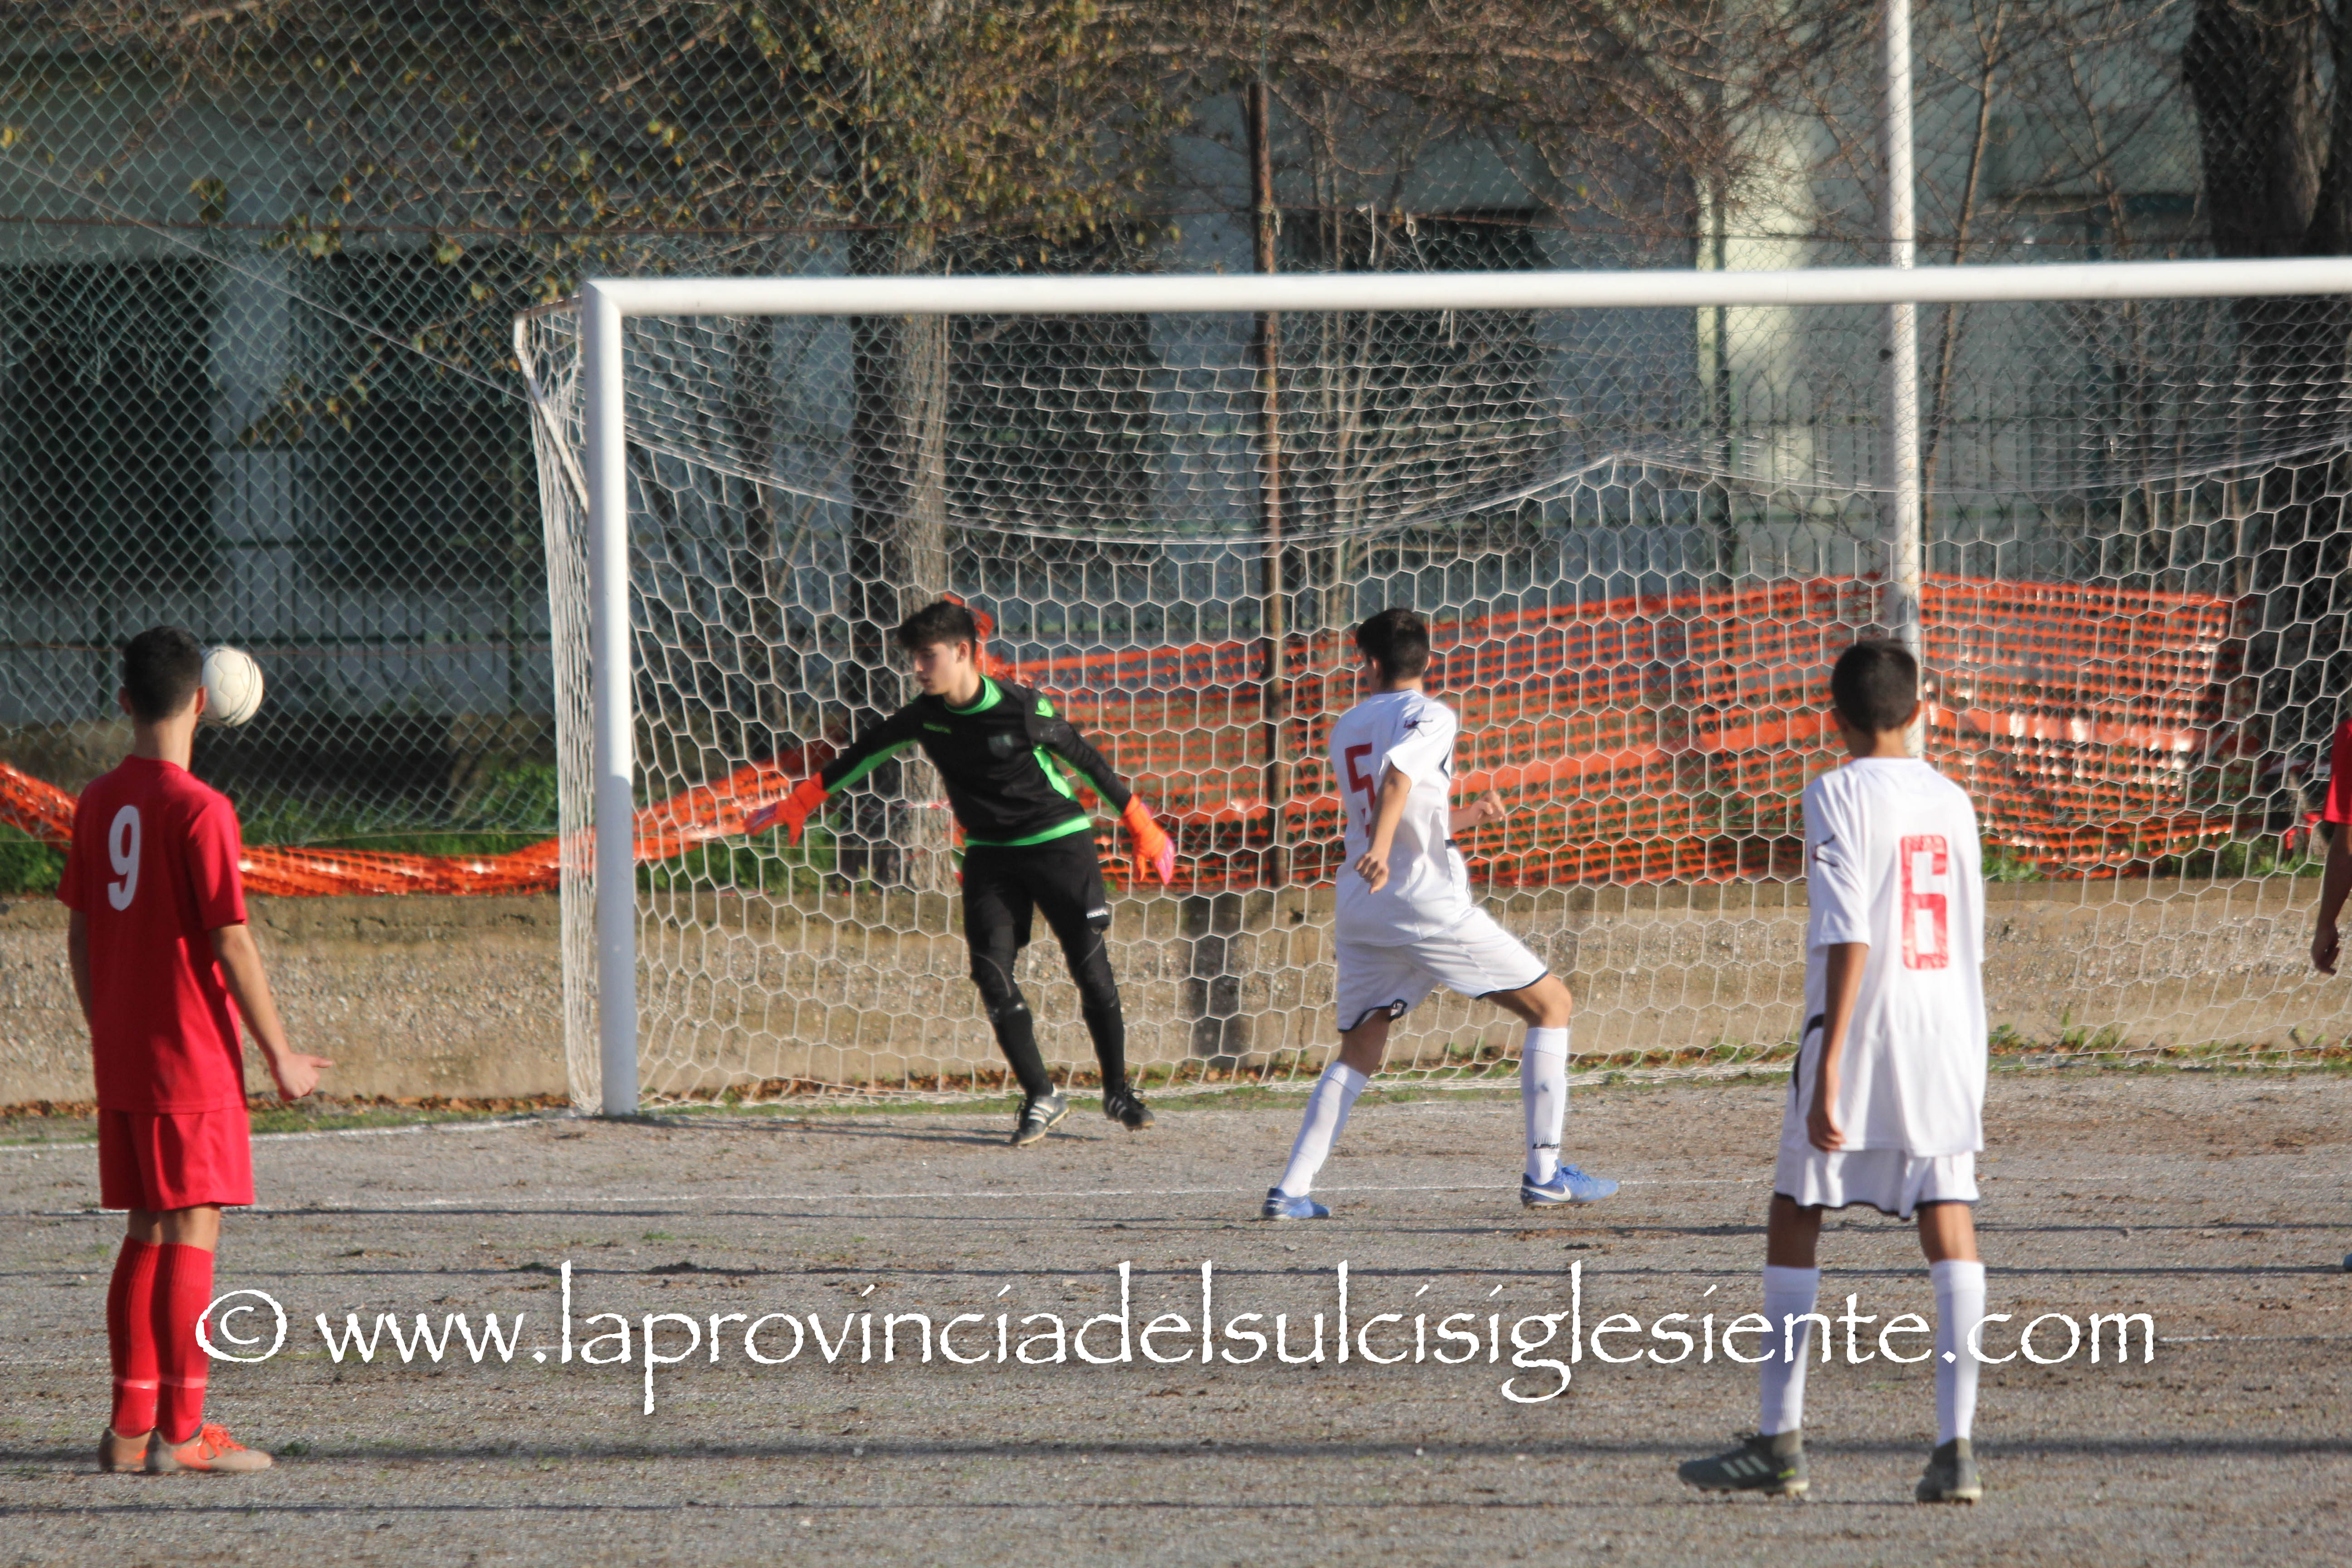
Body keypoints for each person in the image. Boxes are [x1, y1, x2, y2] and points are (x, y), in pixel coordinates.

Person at [1678, 639, 1989, 1505]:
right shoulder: (1953, 799)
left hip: (1863, 1028)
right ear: (1918, 711)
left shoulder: (1833, 792)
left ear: (1833, 718)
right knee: (1946, 1212)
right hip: (1946, 1029)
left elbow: (1848, 930)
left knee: (1794, 1208)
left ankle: (1779, 1442)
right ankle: (1955, 1450)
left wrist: (1828, 1067)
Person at [749, 600, 1175, 1146]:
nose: (918, 669)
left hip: (1058, 844)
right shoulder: (924, 716)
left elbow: (1087, 761)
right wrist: (800, 802)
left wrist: (1142, 824)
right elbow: (861, 754)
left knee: (1090, 970)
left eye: (928, 656)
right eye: (914, 658)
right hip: (990, 854)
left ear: (964, 652)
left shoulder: (1023, 708)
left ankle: (1118, 1092)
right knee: (990, 972)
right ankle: (1042, 1095)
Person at [66, 627, 330, 1476]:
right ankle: (182, 1434)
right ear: (204, 704)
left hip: (124, 1049)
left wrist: (104, 1023)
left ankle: (128, 1429)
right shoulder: (202, 809)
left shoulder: (95, 801)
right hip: (190, 1052)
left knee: (145, 1227)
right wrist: (281, 1054)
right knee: (194, 1226)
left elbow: (79, 932)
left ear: (123, 703)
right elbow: (231, 939)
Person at [1260, 607, 1617, 1220]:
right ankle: (1546, 1173)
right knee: (1552, 1005)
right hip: (1425, 904)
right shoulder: (1433, 715)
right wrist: (1380, 850)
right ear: (1426, 658)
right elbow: (1398, 779)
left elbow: (1398, 808)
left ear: (1370, 664)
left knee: (1360, 1049)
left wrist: (1464, 820)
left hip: (1363, 907)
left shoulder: (1346, 726)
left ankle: (1291, 1190)